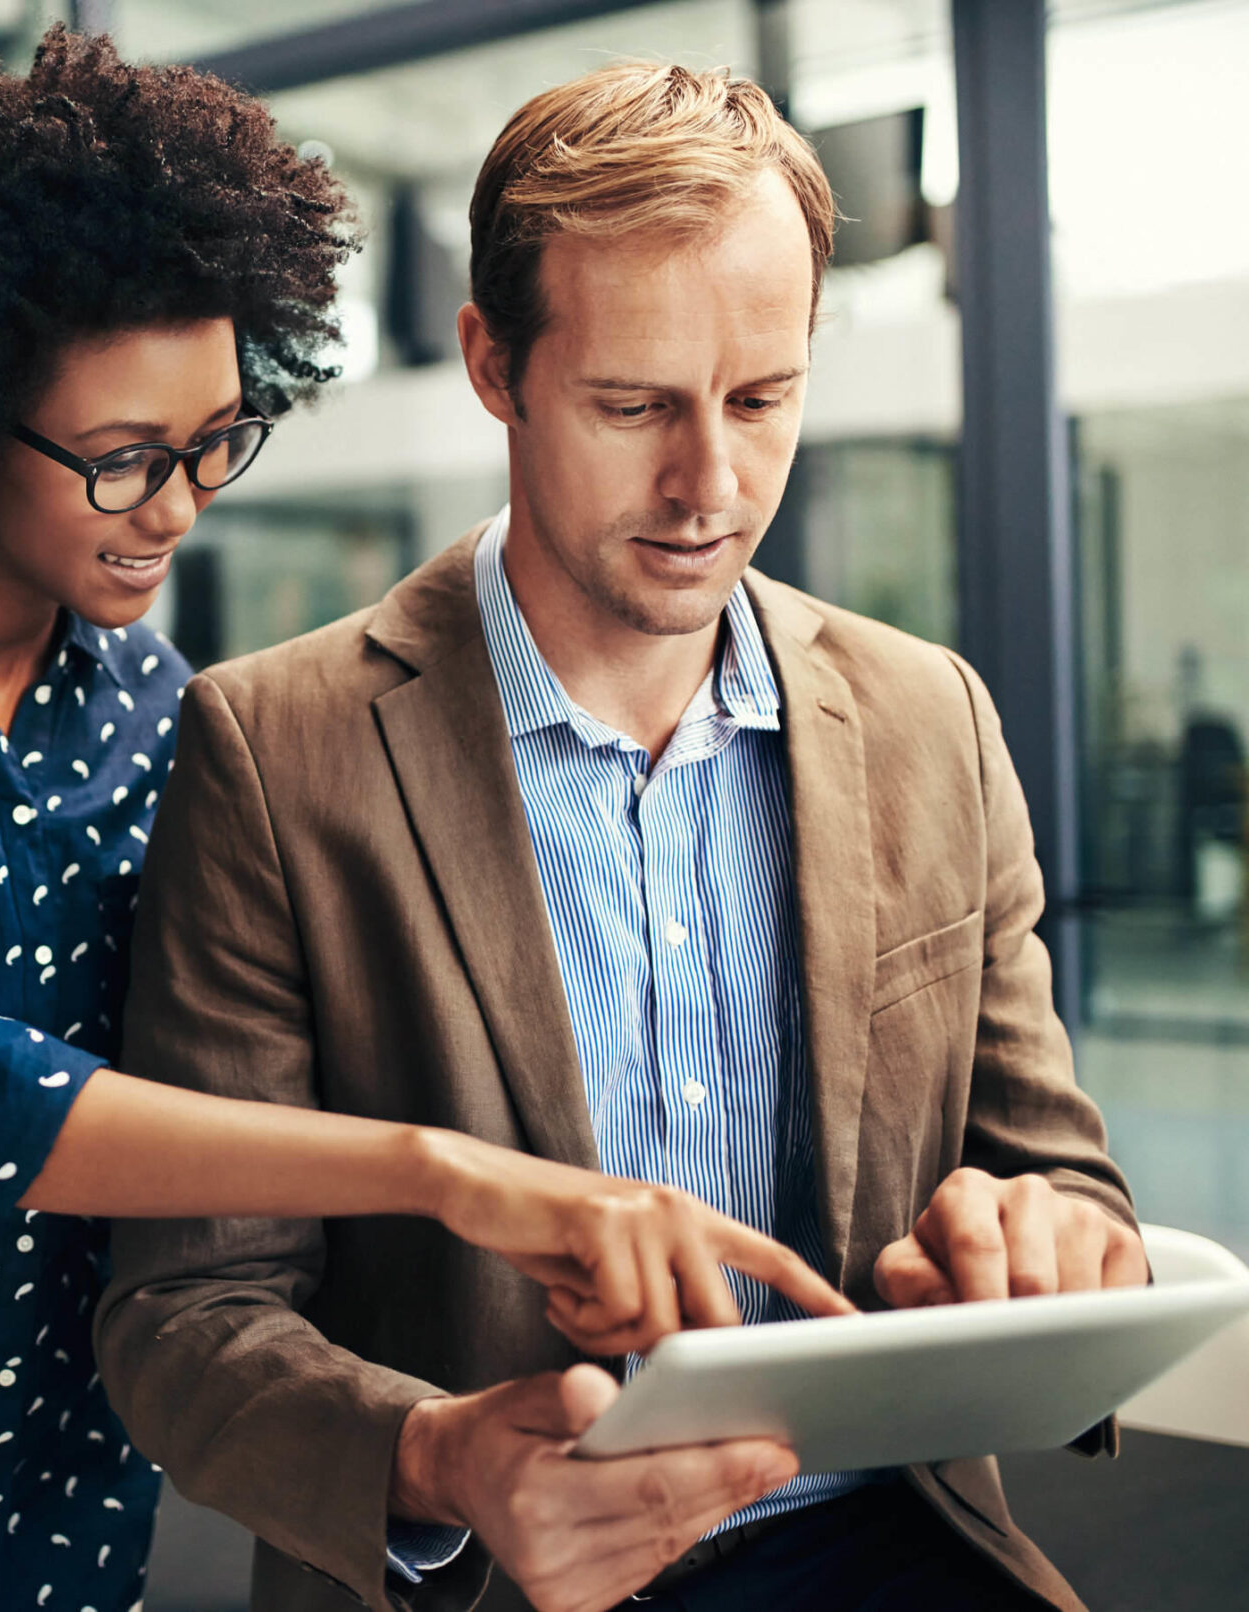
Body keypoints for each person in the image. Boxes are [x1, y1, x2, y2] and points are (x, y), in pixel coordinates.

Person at [0, 32, 854, 1612]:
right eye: (123, 460)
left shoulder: (147, 701)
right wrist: (447, 1171)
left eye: (213, 443)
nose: (181, 507)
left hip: (55, 1501)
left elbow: (199, 1094)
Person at [94, 63, 1145, 1612]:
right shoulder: (277, 754)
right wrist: (448, 1458)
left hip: (893, 1551)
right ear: (493, 365)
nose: (709, 484)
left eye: (763, 400)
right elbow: (185, 1314)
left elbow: (1067, 1186)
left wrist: (1047, 1248)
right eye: (635, 405)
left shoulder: (936, 722)